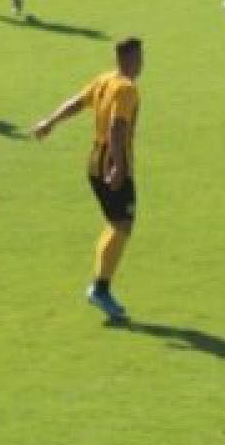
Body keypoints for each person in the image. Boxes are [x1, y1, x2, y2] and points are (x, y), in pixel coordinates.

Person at [32, 37, 145, 321]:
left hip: (94, 163)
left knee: (117, 223)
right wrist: (118, 166)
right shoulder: (126, 89)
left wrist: (49, 122)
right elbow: (117, 127)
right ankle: (100, 288)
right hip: (112, 164)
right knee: (123, 224)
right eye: (139, 57)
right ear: (128, 59)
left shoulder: (105, 80)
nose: (142, 63)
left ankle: (100, 284)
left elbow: (77, 103)